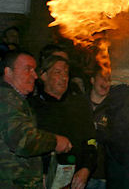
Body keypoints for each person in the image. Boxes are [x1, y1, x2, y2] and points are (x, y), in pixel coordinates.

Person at [0, 50, 72, 188]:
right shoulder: (7, 101)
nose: (34, 75)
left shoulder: (17, 101)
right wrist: (55, 141)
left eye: (34, 70)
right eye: (28, 69)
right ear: (8, 72)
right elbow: (22, 140)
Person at [28, 55, 97, 189]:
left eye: (66, 73)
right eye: (57, 72)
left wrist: (86, 169)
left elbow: (91, 140)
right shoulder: (31, 106)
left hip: (75, 180)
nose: (64, 77)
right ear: (43, 76)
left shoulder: (79, 104)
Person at [86, 66, 112, 189]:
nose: (106, 82)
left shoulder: (114, 110)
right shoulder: (79, 104)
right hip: (77, 173)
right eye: (102, 77)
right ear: (92, 80)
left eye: (109, 79)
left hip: (103, 176)